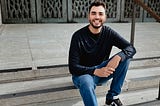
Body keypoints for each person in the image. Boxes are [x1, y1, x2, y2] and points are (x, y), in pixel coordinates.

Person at [68, 0, 136, 106]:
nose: (97, 17)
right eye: (93, 13)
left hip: (103, 72)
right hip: (83, 75)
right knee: (86, 81)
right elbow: (73, 67)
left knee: (126, 57)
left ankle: (112, 97)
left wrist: (119, 56)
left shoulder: (108, 32)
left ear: (105, 17)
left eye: (100, 14)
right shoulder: (78, 36)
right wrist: (95, 71)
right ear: (88, 16)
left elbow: (131, 48)